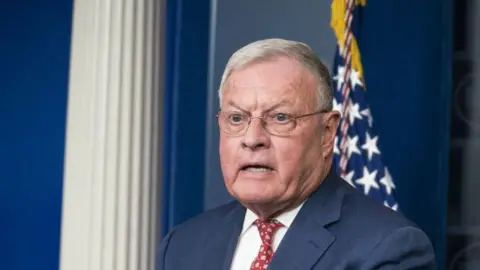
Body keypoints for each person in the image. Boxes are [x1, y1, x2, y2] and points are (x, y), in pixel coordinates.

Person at [157, 38, 435, 270]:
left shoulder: (388, 248)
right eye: (236, 118)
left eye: (279, 117)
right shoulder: (182, 245)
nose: (253, 139)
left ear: (326, 133)